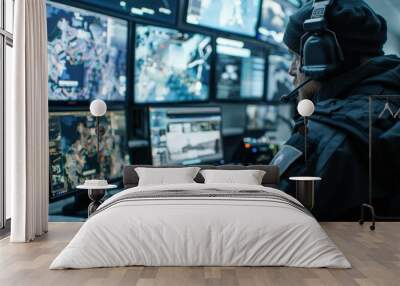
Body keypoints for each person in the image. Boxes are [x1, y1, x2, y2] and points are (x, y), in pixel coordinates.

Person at [271, 0, 400, 220]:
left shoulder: (322, 139)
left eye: (297, 57)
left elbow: (266, 221)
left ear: (321, 58)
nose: (293, 70)